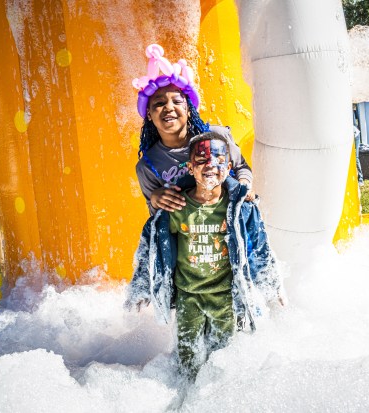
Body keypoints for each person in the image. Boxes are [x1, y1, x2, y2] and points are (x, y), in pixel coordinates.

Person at [125, 132, 285, 380]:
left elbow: (259, 245)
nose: (210, 165)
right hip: (189, 296)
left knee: (223, 359)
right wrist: (142, 286)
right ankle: (188, 397)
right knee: (187, 360)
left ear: (229, 167)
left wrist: (270, 285)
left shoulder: (239, 208)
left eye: (218, 160)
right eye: (201, 160)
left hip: (224, 297)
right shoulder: (178, 207)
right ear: (190, 167)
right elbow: (152, 248)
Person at [133, 44, 254, 216]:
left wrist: (242, 186)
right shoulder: (147, 166)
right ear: (149, 114)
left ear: (189, 109)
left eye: (177, 101)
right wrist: (154, 199)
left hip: (229, 223)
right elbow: (155, 217)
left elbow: (241, 167)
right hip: (192, 237)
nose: (169, 108)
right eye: (159, 104)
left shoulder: (216, 137)